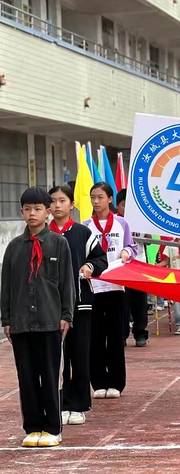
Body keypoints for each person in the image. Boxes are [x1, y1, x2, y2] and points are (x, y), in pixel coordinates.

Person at [1, 187, 75, 447]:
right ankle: (32, 428)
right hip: (21, 324)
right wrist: (6, 320)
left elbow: (66, 282)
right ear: (21, 212)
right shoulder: (13, 248)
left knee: (50, 374)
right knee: (27, 377)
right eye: (27, 209)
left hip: (50, 321)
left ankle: (53, 428)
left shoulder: (59, 243)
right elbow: (6, 287)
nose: (32, 213)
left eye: (38, 209)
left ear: (47, 212)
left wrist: (67, 314)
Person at [49, 186, 108, 427]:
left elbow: (100, 258)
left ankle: (79, 405)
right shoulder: (42, 233)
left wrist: (89, 268)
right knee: (56, 358)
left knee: (79, 355)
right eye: (52, 201)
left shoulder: (84, 233)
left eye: (62, 201)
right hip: (49, 307)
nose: (57, 205)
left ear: (72, 204)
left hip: (80, 304)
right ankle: (61, 403)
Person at [83, 182, 138, 400]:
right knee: (95, 337)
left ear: (109, 199)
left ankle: (116, 382)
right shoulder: (86, 226)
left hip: (116, 286)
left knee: (115, 335)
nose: (96, 202)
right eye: (92, 198)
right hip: (93, 288)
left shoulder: (122, 224)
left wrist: (125, 251)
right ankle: (98, 382)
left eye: (100, 197)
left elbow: (132, 247)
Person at [116, 189, 149, 347]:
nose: (127, 209)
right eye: (123, 205)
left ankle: (140, 333)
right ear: (117, 206)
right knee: (122, 303)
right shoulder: (115, 222)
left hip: (139, 265)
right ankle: (121, 335)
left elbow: (148, 241)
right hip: (121, 268)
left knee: (139, 302)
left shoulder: (141, 221)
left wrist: (146, 231)